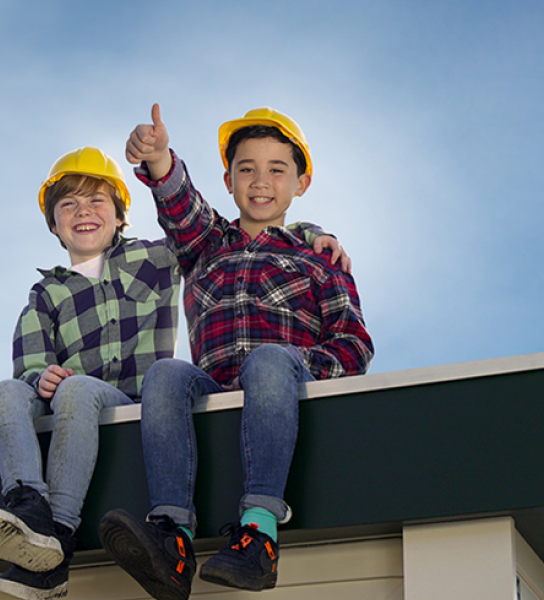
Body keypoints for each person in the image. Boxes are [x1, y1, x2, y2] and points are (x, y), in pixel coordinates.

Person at [0, 146, 351, 600]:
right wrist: (39, 378)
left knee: (82, 391)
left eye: (97, 201)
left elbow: (215, 232)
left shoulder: (156, 260)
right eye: (67, 205)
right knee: (4, 391)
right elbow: (30, 363)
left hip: (128, 403)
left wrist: (308, 232)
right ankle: (29, 508)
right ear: (53, 223)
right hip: (68, 401)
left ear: (119, 216)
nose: (83, 212)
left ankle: (59, 533)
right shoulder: (44, 294)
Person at [98, 105, 374, 600]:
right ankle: (171, 538)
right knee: (165, 373)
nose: (260, 181)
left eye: (276, 170)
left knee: (268, 358)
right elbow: (181, 206)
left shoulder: (319, 259)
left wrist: (297, 365)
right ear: (228, 180)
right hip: (217, 389)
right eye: (246, 169)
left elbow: (355, 344)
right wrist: (160, 159)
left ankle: (259, 536)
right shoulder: (207, 246)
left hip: (282, 382)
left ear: (300, 183)